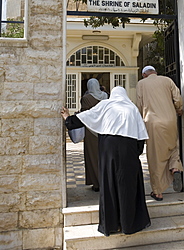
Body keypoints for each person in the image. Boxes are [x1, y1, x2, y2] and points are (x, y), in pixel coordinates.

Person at [61, 86, 151, 237]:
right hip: (128, 150)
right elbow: (140, 138)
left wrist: (68, 118)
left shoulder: (105, 105)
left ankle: (111, 224)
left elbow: (85, 117)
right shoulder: (132, 108)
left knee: (109, 184)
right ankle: (129, 224)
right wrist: (134, 155)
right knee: (127, 185)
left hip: (108, 149)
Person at [136, 65, 183, 201]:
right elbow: (177, 98)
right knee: (173, 146)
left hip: (153, 123)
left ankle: (157, 192)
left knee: (155, 157)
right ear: (155, 72)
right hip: (170, 120)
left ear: (144, 74)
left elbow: (139, 104)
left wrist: (138, 122)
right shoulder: (167, 80)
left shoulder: (142, 84)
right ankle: (175, 167)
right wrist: (179, 109)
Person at [80, 78, 108, 192]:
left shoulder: (86, 98)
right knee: (105, 156)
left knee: (93, 156)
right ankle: (106, 182)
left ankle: (97, 184)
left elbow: (84, 113)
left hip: (91, 130)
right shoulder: (106, 96)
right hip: (105, 129)